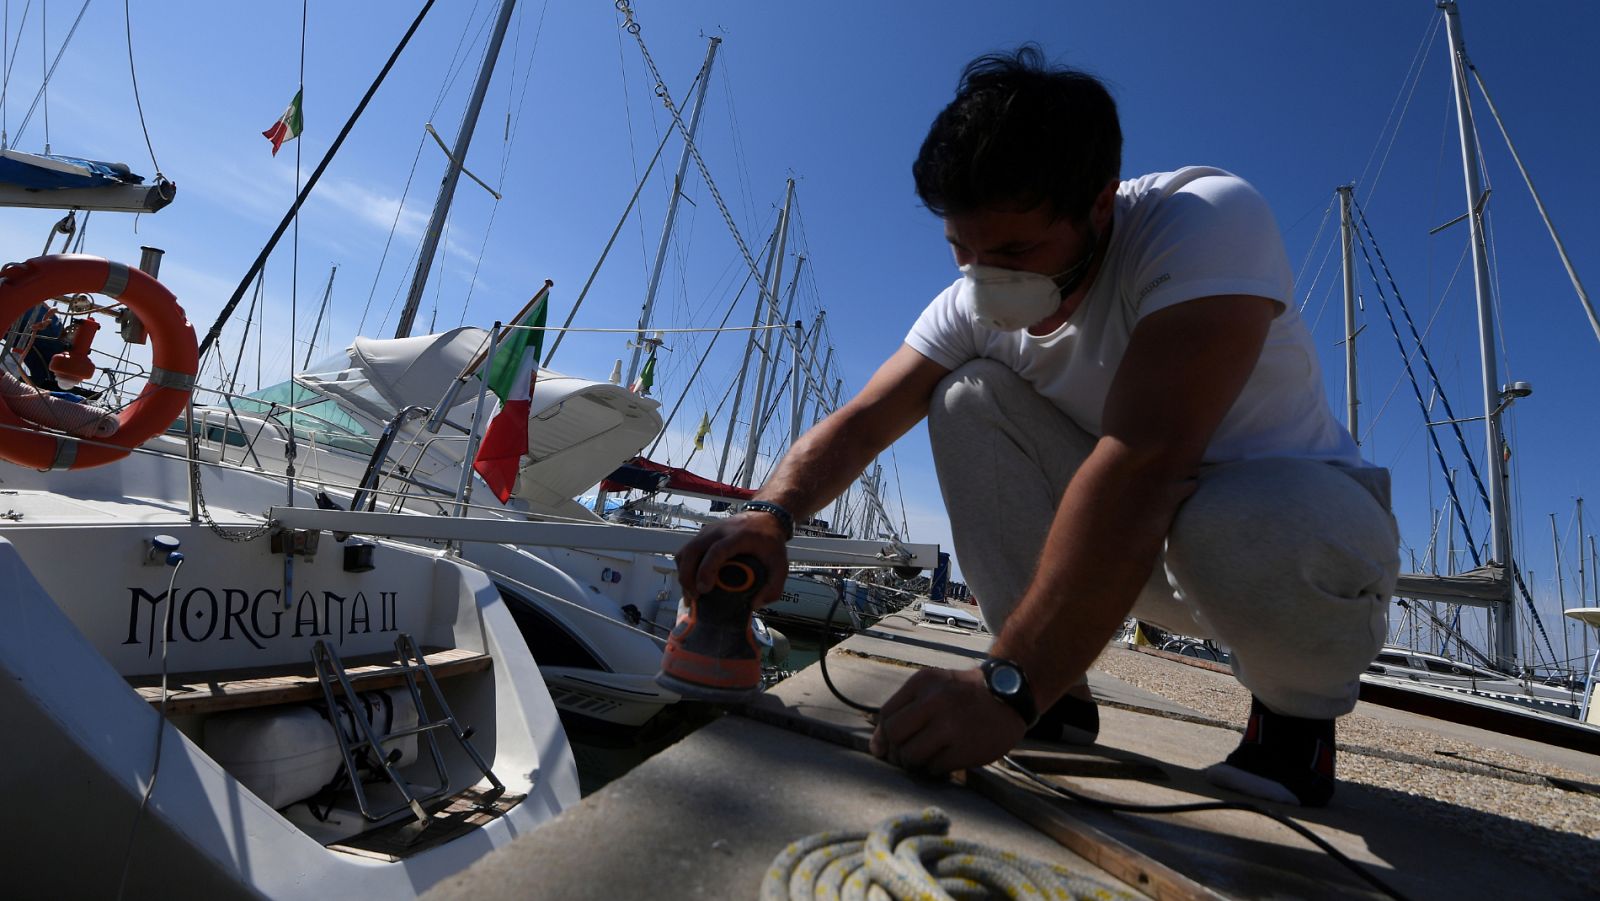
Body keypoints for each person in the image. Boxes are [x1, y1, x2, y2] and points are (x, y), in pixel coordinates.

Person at [675, 46, 1398, 808]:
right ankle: (1059, 700)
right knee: (965, 396)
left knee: (1243, 514)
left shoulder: (1205, 222)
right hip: (1139, 557)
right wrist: (768, 514)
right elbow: (858, 424)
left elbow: (1144, 460)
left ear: (1099, 204)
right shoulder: (971, 302)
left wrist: (1003, 684)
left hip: (1294, 551)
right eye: (964, 249)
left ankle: (1292, 727)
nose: (988, 278)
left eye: (1017, 250)